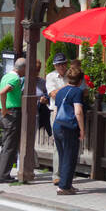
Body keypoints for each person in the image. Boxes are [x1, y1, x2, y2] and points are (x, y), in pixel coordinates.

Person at [52, 64, 86, 195]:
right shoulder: (77, 92)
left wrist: (54, 127)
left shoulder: (60, 91)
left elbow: (55, 111)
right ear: (80, 80)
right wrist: (82, 129)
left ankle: (65, 183)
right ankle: (64, 187)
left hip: (57, 125)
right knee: (70, 156)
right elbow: (78, 112)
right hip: (69, 127)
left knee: (62, 156)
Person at [0, 57, 24, 184]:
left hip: (5, 113)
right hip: (11, 113)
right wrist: (5, 108)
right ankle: (3, 175)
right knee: (9, 146)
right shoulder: (15, 78)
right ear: (22, 68)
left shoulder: (6, 76)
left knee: (6, 145)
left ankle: (2, 173)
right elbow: (3, 92)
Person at [44, 53, 68, 185]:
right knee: (57, 144)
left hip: (70, 112)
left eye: (63, 64)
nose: (62, 67)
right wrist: (69, 86)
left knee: (69, 144)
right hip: (56, 112)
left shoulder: (72, 74)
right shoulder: (51, 76)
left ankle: (67, 172)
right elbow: (53, 95)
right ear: (55, 66)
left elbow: (83, 90)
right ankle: (56, 175)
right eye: (59, 65)